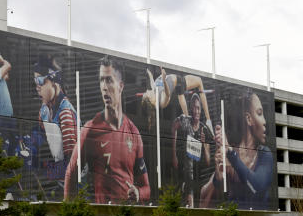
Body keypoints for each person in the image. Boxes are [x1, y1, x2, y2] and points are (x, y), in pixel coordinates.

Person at [64, 56, 150, 204]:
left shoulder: (134, 133)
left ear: (121, 86)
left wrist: (138, 193)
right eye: (101, 80)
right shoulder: (90, 129)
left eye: (109, 80)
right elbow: (70, 175)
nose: (104, 86)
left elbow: (146, 188)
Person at [200, 89, 274, 209]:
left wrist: (230, 153)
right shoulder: (229, 154)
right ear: (248, 119)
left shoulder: (265, 154)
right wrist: (217, 179)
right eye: (260, 113)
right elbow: (203, 199)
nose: (265, 122)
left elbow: (257, 187)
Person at [33, 55, 77, 163]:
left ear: (54, 82)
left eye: (40, 81)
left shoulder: (65, 112)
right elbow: (39, 134)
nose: (37, 88)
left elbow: (70, 158)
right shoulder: (45, 109)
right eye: (35, 81)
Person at [171, 92, 211, 207]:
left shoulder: (204, 129)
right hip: (186, 175)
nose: (196, 111)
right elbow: (174, 127)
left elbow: (208, 162)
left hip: (199, 178)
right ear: (190, 108)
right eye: (193, 107)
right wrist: (174, 155)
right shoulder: (185, 120)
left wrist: (203, 144)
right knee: (190, 205)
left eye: (198, 108)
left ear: (201, 110)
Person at [140, 66, 212, 129]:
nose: (146, 91)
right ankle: (208, 120)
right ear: (150, 100)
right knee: (199, 81)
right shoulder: (161, 101)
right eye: (146, 93)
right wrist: (164, 80)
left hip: (176, 84)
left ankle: (187, 120)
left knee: (180, 95)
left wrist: (148, 70)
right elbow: (167, 94)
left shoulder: (153, 93)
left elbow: (151, 79)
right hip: (178, 81)